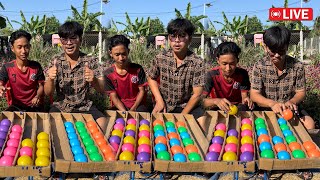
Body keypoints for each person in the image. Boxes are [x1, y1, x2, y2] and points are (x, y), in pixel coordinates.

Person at [44, 21, 108, 131]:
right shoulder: (55, 61)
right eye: (64, 39)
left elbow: (102, 89)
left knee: (103, 122)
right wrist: (50, 79)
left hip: (84, 107)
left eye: (73, 38)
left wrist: (94, 80)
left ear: (80, 40)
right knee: (51, 127)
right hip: (61, 106)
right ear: (61, 41)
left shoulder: (90, 61)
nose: (69, 43)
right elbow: (47, 93)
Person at [250, 25, 315, 130]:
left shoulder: (297, 66)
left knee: (309, 124)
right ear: (265, 47)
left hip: (289, 109)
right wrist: (271, 104)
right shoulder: (260, 66)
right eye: (273, 51)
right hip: (266, 109)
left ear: (287, 47)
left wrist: (292, 102)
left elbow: (301, 92)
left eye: (281, 51)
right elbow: (254, 94)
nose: (276, 55)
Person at [147, 18, 206, 129]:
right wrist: (159, 100)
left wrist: (183, 115)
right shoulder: (161, 58)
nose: (177, 41)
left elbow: (197, 94)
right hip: (164, 104)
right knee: (156, 129)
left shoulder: (197, 62)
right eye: (173, 37)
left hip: (187, 106)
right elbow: (151, 78)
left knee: (201, 123)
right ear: (169, 38)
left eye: (182, 36)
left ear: (190, 39)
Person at [0, 30, 45, 112]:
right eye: (19, 47)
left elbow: (41, 85)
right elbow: (1, 82)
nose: (23, 51)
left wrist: (37, 96)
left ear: (30, 47)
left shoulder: (36, 66)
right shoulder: (7, 67)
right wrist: (1, 87)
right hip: (15, 107)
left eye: (26, 46)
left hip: (34, 106)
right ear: (13, 48)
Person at [203, 42, 253, 112]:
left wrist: (246, 100)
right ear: (218, 60)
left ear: (237, 60)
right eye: (224, 64)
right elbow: (199, 101)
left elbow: (244, 97)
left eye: (232, 64)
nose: (228, 68)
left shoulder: (242, 74)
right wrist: (215, 101)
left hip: (237, 109)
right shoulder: (211, 75)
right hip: (218, 108)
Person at [104, 35, 148, 112]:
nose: (121, 58)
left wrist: (133, 109)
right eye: (117, 55)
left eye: (123, 54)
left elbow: (142, 91)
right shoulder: (108, 74)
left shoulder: (138, 69)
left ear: (128, 51)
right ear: (110, 53)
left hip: (137, 106)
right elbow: (114, 97)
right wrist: (125, 112)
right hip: (119, 106)